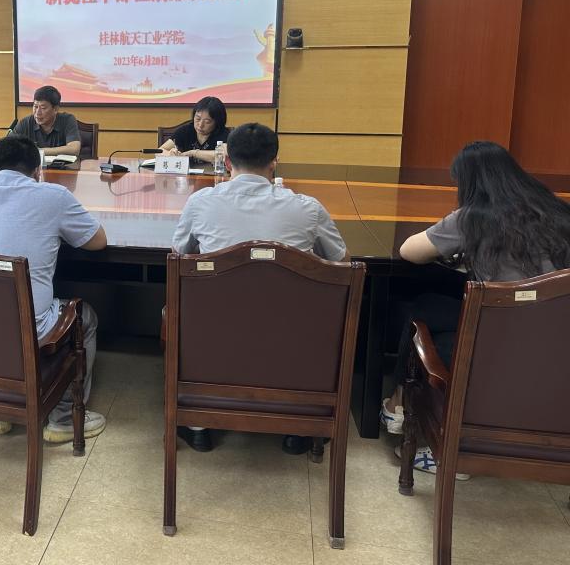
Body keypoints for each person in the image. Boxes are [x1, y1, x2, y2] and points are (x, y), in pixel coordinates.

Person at [381, 141, 570, 475]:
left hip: (497, 341)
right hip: (555, 343)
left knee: (422, 310)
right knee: (432, 308)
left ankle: (410, 416)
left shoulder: (474, 218)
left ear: (470, 183)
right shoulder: (559, 212)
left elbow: (409, 251)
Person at [171, 122, 347, 453]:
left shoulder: (200, 203)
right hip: (289, 336)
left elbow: (180, 256)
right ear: (274, 162)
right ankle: (298, 423)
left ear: (226, 162)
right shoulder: (308, 208)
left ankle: (198, 424)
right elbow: (340, 264)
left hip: (215, 333)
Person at [0, 135, 107, 443]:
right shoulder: (53, 196)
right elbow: (97, 241)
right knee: (87, 317)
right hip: (31, 329)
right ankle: (63, 419)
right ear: (37, 171)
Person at [158, 96, 231, 165]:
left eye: (207, 122)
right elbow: (159, 151)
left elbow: (224, 155)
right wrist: (170, 154)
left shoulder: (225, 134)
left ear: (217, 122)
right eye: (198, 119)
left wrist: (193, 153)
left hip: (212, 174)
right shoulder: (186, 131)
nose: (200, 125)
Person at [13, 85, 81, 157]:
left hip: (61, 164)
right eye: (35, 106)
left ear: (55, 109)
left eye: (43, 108)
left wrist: (37, 152)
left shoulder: (67, 120)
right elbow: (8, 147)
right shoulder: (26, 123)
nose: (38, 112)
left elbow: (74, 149)